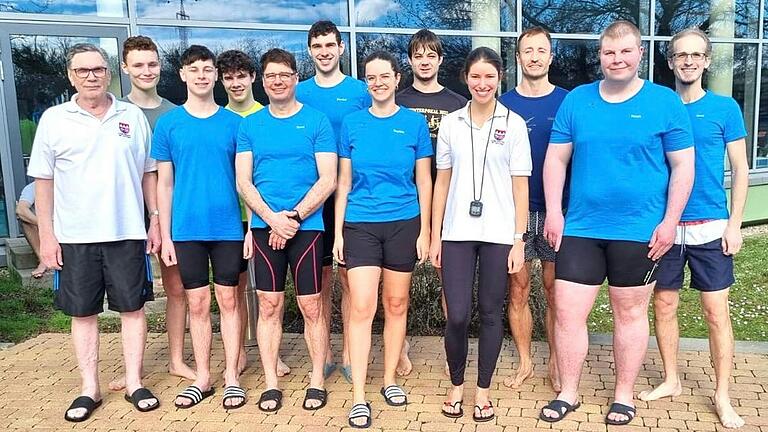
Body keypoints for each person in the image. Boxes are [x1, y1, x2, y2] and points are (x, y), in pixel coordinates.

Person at [539, 20, 695, 426]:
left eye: (625, 51)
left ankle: (623, 396)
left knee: (629, 316)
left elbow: (683, 167)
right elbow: (556, 158)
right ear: (600, 56)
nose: (617, 59)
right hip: (582, 229)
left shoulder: (665, 102)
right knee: (568, 312)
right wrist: (554, 211)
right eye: (609, 52)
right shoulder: (577, 100)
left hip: (639, 232)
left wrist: (669, 222)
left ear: (640, 53)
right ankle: (568, 392)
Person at [28, 43, 160, 422]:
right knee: (82, 313)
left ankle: (135, 382)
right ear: (70, 75)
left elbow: (147, 173)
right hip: (75, 237)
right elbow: (43, 182)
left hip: (127, 231)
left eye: (98, 70)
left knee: (133, 309)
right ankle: (90, 388)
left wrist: (153, 219)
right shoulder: (54, 120)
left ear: (109, 73)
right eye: (82, 71)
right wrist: (48, 237)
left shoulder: (131, 117)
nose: (91, 76)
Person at [638, 28, 748, 430]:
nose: (688, 61)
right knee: (664, 305)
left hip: (710, 226)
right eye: (680, 55)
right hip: (665, 226)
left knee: (716, 313)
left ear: (706, 61)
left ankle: (722, 394)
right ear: (670, 61)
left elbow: (739, 170)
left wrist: (734, 224)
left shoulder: (725, 108)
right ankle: (671, 379)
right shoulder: (657, 106)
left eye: (695, 55)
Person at [431, 46, 531, 422]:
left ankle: (482, 393)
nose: (482, 83)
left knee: (491, 314)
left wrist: (519, 238)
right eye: (476, 76)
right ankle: (456, 385)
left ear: (500, 77)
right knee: (457, 314)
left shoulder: (514, 124)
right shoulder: (452, 123)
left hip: (498, 233)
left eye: (489, 76)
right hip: (457, 231)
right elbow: (442, 181)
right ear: (466, 79)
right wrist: (435, 233)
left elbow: (520, 185)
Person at [334, 50, 432, 429]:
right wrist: (339, 231)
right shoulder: (351, 124)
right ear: (366, 82)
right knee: (361, 306)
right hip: (360, 224)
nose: (377, 83)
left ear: (397, 78)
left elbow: (424, 180)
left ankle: (389, 379)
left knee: (396, 303)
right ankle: (359, 395)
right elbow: (343, 182)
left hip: (404, 223)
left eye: (384, 76)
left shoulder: (413, 124)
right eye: (371, 78)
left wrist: (425, 230)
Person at [235, 48, 337, 413]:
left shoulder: (317, 121)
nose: (278, 81)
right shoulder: (250, 125)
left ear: (295, 78)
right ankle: (271, 384)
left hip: (307, 228)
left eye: (284, 74)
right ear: (263, 82)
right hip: (265, 228)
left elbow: (329, 179)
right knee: (269, 304)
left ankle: (316, 380)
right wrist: (272, 219)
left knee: (311, 306)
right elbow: (243, 182)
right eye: (271, 76)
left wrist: (292, 217)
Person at [153, 44, 246, 410]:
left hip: (227, 229)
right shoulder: (169, 124)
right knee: (197, 303)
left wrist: (252, 228)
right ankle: (204, 377)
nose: (202, 75)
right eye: (195, 69)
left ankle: (232, 378)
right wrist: (165, 232)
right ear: (183, 75)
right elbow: (164, 183)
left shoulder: (235, 125)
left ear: (215, 76)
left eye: (208, 69)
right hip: (187, 230)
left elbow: (246, 182)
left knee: (229, 301)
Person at [110, 35, 196, 392]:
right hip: (126, 219)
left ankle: (176, 360)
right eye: (139, 65)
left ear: (160, 66)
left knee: (175, 288)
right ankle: (135, 371)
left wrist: (162, 218)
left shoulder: (175, 114)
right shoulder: (114, 112)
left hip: (167, 216)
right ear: (125, 68)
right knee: (132, 297)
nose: (147, 71)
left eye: (152, 64)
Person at [296, 20, 371, 383]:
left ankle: (348, 353)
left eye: (330, 44)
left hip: (353, 198)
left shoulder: (360, 91)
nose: (324, 51)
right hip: (313, 201)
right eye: (317, 46)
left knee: (350, 277)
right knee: (321, 278)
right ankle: (323, 351)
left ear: (341, 48)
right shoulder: (300, 92)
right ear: (310, 51)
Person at [498, 26, 568, 391]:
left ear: (551, 56)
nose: (535, 57)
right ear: (519, 57)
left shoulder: (568, 102)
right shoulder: (503, 105)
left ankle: (557, 361)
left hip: (558, 211)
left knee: (556, 290)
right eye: (528, 50)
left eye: (542, 50)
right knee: (519, 289)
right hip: (516, 215)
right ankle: (525, 361)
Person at [396, 28, 467, 377]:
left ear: (440, 59)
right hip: (405, 201)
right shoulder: (397, 101)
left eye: (431, 55)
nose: (424, 61)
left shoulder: (458, 104)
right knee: (400, 280)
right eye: (418, 55)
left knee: (448, 279)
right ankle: (402, 344)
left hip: (449, 203)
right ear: (410, 60)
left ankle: (452, 347)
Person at [217, 48, 291, 379]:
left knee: (268, 289)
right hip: (229, 216)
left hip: (260, 218)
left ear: (252, 79)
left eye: (240, 76)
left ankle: (271, 357)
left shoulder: (266, 114)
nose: (235, 83)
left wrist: (255, 224)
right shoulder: (219, 117)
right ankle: (242, 353)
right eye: (228, 77)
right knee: (235, 289)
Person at [15, 181, 48, 278]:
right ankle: (43, 261)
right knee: (24, 219)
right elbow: (21, 210)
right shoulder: (33, 187)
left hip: (67, 229)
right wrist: (45, 224)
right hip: (45, 229)